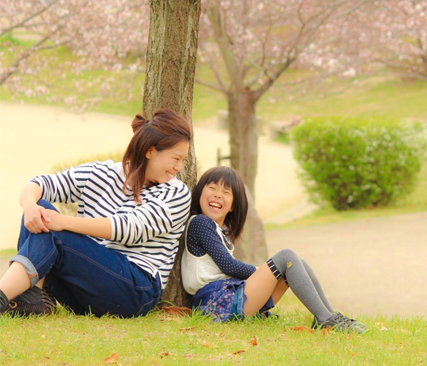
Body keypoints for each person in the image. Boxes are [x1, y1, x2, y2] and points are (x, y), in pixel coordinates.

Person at [0, 109, 193, 318]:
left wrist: (63, 222)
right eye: (176, 158)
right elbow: (40, 184)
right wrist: (30, 206)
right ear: (150, 151)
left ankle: (10, 297)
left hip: (135, 290)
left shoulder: (176, 193)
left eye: (183, 160)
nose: (179, 167)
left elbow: (129, 228)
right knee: (39, 209)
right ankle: (32, 300)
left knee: (51, 227)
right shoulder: (103, 173)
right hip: (85, 287)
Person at [182, 166, 365, 333]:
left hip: (228, 298)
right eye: (212, 188)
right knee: (286, 257)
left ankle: (329, 316)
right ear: (200, 192)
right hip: (216, 301)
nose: (217, 195)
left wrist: (267, 274)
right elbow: (228, 266)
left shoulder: (220, 231)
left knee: (299, 264)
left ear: (233, 206)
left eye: (226, 192)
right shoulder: (200, 222)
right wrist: (264, 271)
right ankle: (326, 319)